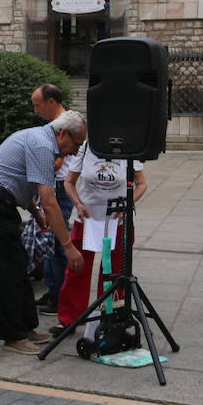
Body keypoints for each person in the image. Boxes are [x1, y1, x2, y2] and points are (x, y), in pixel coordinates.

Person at [0, 110, 87, 355]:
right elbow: (50, 201)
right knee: (4, 269)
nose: (74, 152)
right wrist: (68, 246)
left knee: (18, 263)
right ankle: (12, 335)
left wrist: (35, 213)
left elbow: (18, 180)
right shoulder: (43, 146)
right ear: (63, 133)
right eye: (75, 144)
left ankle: (26, 328)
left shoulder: (38, 139)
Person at [54, 144, 147, 336]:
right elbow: (69, 182)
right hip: (88, 216)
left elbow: (142, 184)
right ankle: (69, 319)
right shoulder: (86, 148)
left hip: (116, 218)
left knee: (114, 271)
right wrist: (78, 204)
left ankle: (110, 316)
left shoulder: (129, 149)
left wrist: (128, 206)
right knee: (77, 267)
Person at [30, 83, 71, 317]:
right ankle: (52, 289)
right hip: (50, 184)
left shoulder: (65, 126)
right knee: (49, 240)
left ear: (51, 102)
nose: (36, 110)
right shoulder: (54, 125)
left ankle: (59, 294)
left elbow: (58, 162)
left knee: (57, 241)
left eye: (38, 105)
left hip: (59, 187)